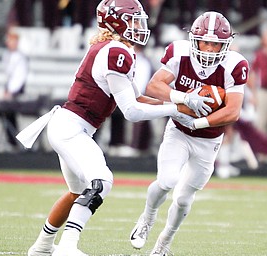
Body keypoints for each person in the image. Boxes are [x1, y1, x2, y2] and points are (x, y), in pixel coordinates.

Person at [16, 1, 213, 255]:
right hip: (71, 128)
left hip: (70, 126)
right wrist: (175, 110)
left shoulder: (113, 49)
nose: (139, 26)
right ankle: (67, 247)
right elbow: (131, 111)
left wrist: (181, 101)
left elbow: (138, 97)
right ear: (116, 21)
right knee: (101, 181)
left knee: (78, 191)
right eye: (132, 20)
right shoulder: (116, 52)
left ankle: (42, 246)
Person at [129, 11, 249, 255]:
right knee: (166, 181)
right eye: (205, 42)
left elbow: (233, 111)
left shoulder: (235, 65)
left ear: (225, 45)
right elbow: (153, 86)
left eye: (216, 44)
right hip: (179, 131)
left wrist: (200, 122)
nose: (209, 49)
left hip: (209, 140)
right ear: (194, 40)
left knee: (183, 198)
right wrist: (183, 98)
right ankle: (147, 219)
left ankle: (164, 243)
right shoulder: (180, 52)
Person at [247, 28, 267, 161]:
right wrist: (253, 94)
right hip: (263, 91)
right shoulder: (259, 54)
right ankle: (264, 155)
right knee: (262, 123)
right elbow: (252, 73)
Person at [0, 30, 29, 151]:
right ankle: (11, 139)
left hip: (16, 91)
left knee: (8, 112)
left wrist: (11, 91)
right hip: (9, 89)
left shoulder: (20, 57)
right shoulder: (7, 55)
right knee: (5, 114)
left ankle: (13, 139)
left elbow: (19, 77)